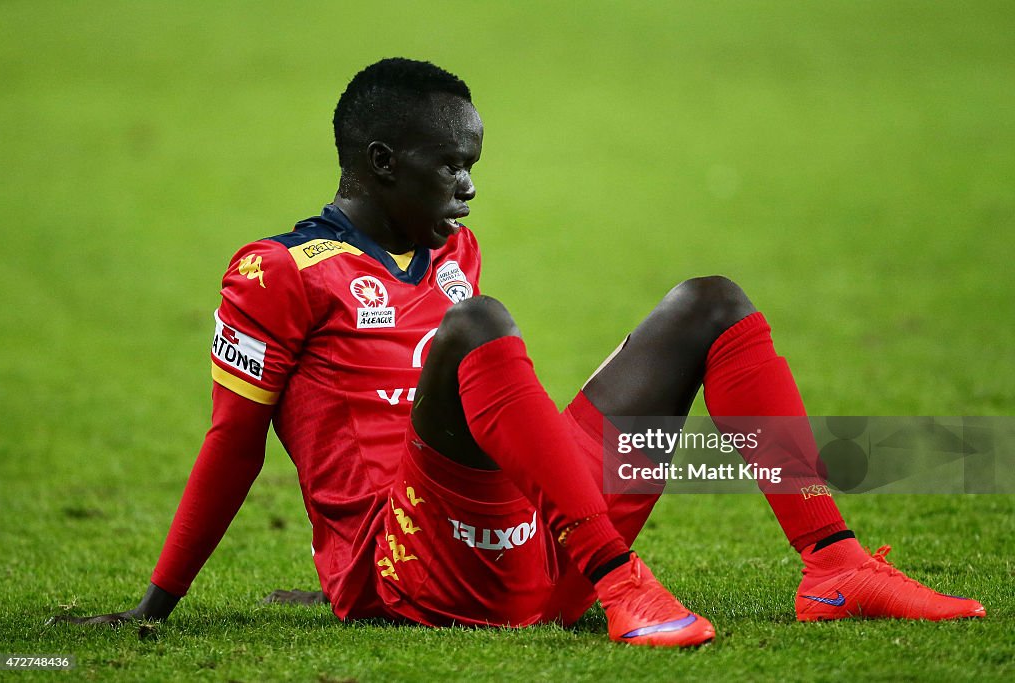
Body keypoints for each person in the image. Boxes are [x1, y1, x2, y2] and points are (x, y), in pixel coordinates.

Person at [55, 58, 984, 647]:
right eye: (451, 166)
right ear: (381, 163)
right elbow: (233, 441)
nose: (467, 187)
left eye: (474, 167)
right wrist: (157, 600)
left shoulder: (450, 250)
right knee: (480, 326)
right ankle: (625, 586)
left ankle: (834, 564)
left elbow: (490, 407)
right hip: (410, 568)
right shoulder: (275, 271)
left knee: (711, 302)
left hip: (535, 536)